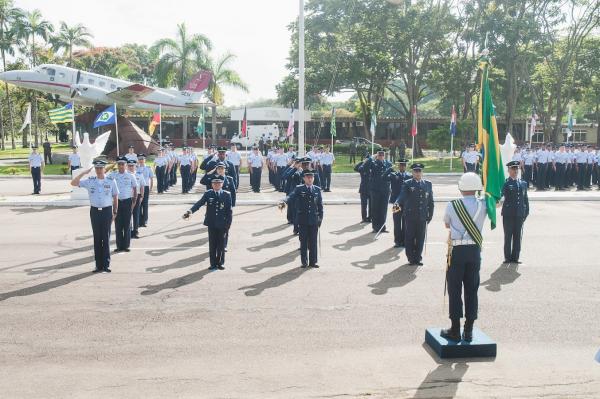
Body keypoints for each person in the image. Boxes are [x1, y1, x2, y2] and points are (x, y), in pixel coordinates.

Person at [440, 172, 487, 342]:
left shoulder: (453, 205)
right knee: (472, 290)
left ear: (461, 188)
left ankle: (454, 329)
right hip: (474, 251)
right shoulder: (484, 205)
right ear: (476, 188)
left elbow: (446, 224)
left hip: (457, 252)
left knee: (454, 289)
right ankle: (468, 330)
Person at [70, 159, 119, 273]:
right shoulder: (90, 181)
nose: (98, 170)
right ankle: (98, 265)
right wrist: (83, 173)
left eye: (100, 168)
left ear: (104, 168)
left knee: (105, 238)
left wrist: (115, 212)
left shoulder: (111, 181)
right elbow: (73, 183)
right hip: (95, 212)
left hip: (107, 211)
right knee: (97, 238)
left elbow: (115, 196)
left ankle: (106, 265)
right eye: (96, 168)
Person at [183, 176, 232, 270]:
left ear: (222, 184)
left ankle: (220, 263)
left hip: (222, 224)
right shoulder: (208, 193)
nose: (216, 185)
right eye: (214, 184)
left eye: (218, 184)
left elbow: (229, 212)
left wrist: (228, 225)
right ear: (212, 185)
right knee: (212, 244)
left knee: (221, 245)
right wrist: (190, 211)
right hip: (212, 223)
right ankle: (213, 264)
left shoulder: (227, 194)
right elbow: (199, 203)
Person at [279, 170, 324, 268]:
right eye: (308, 177)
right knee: (303, 242)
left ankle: (313, 262)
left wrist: (320, 219)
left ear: (313, 178)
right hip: (303, 220)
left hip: (313, 220)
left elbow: (320, 206)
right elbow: (291, 196)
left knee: (313, 242)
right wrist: (284, 201)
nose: (310, 179)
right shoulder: (299, 189)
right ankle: (304, 262)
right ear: (304, 179)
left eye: (311, 177)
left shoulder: (317, 189)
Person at [394, 163, 434, 265]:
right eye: (415, 171)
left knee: (420, 238)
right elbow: (402, 195)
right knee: (410, 238)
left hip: (422, 215)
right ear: (412, 172)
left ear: (422, 172)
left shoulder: (428, 184)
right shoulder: (407, 183)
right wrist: (397, 202)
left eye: (419, 171)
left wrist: (430, 214)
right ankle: (411, 258)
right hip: (410, 216)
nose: (417, 173)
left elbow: (430, 201)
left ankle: (418, 258)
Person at [501, 161, 529, 264]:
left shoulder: (523, 183)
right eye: (513, 169)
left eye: (517, 169)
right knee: (508, 236)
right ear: (509, 170)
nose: (515, 171)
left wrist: (526, 212)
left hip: (519, 214)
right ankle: (507, 258)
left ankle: (515, 257)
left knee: (518, 236)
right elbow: (501, 195)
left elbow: (525, 199)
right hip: (508, 214)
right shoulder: (506, 183)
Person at [109, 156, 137, 252]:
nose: (121, 166)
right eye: (119, 164)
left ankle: (126, 246)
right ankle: (119, 246)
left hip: (127, 201)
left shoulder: (130, 175)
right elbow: (103, 175)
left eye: (123, 164)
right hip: (117, 203)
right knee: (118, 225)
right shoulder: (113, 175)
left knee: (127, 224)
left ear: (126, 165)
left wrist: (134, 202)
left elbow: (135, 188)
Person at [364, 150, 393, 233]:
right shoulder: (373, 163)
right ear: (377, 156)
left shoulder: (388, 164)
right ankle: (375, 227)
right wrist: (371, 157)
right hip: (375, 189)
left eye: (382, 155)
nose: (381, 157)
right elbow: (364, 167)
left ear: (384, 156)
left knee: (383, 209)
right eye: (379, 155)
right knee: (375, 208)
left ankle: (382, 227)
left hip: (385, 189)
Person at [390, 159, 410, 247]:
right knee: (397, 223)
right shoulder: (394, 175)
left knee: (406, 223)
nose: (402, 167)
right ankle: (397, 241)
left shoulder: (409, 176)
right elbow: (383, 177)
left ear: (406, 166)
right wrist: (390, 168)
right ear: (398, 166)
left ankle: (404, 241)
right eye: (401, 165)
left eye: (404, 165)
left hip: (406, 203)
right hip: (396, 204)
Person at [128, 159, 145, 239]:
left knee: (136, 214)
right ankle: (129, 231)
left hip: (137, 196)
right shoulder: (125, 175)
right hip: (128, 197)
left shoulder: (139, 175)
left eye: (132, 166)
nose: (131, 167)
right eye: (129, 166)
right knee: (128, 215)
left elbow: (142, 186)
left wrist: (141, 196)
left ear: (135, 166)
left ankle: (135, 231)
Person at [137, 154, 153, 227]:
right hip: (138, 188)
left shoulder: (148, 168)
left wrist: (151, 189)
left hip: (146, 187)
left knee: (145, 205)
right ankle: (140, 221)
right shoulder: (136, 168)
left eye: (142, 159)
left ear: (145, 160)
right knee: (139, 204)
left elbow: (151, 179)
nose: (141, 161)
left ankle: (145, 220)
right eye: (140, 159)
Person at [355, 155, 372, 223]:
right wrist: (363, 162)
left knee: (371, 205)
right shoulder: (362, 168)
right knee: (363, 205)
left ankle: (370, 218)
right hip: (363, 188)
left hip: (371, 189)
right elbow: (356, 168)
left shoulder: (372, 167)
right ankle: (364, 218)